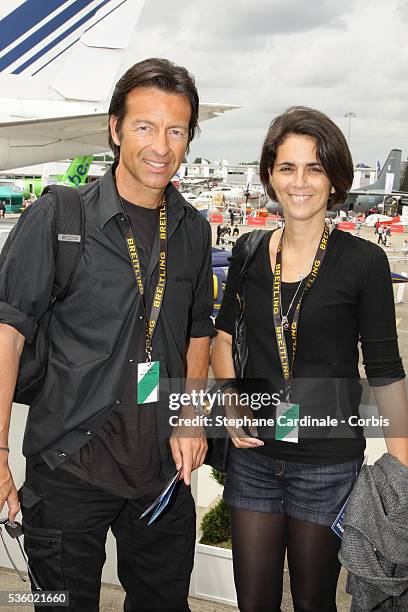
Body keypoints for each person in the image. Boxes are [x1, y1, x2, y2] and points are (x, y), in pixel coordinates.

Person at [0, 58, 214, 611]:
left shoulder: (192, 229)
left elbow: (196, 331)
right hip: (70, 466)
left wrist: (191, 420)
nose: (160, 146)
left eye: (176, 130)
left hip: (162, 474)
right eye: (144, 127)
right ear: (115, 129)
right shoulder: (58, 217)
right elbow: (8, 336)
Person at [211, 106, 408, 612]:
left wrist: (403, 465)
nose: (300, 182)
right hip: (253, 458)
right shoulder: (248, 253)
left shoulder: (364, 261)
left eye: (314, 167)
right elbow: (223, 338)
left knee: (313, 600)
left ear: (335, 178)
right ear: (270, 176)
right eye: (287, 167)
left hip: (326, 464)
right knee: (253, 601)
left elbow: (385, 369)